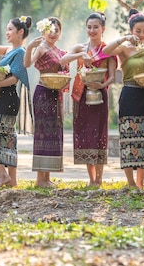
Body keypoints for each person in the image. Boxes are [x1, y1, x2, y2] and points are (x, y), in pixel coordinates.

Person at [103, 9, 144, 190]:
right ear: (131, 30)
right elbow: (106, 51)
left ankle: (140, 181)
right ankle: (130, 182)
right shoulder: (124, 49)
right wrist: (123, 39)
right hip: (129, 95)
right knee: (128, 138)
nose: (142, 35)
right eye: (138, 31)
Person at [60, 12, 116, 187]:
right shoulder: (80, 47)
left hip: (100, 96)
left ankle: (99, 179)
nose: (92, 30)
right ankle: (91, 179)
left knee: (99, 135)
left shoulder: (108, 51)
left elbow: (113, 77)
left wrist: (102, 84)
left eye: (96, 27)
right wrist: (79, 56)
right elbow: (63, 60)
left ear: (103, 29)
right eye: (89, 27)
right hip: (81, 96)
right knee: (85, 135)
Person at [0, 16, 31, 188]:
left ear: (20, 32)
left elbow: (14, 79)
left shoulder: (20, 53)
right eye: (7, 29)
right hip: (1, 98)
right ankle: (12, 181)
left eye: (10, 29)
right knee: (7, 137)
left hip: (8, 98)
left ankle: (3, 175)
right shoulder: (9, 50)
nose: (7, 32)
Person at [24, 17, 68, 188]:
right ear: (43, 31)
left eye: (57, 30)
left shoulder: (59, 51)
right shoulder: (41, 48)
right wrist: (29, 48)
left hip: (56, 95)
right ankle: (39, 179)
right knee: (43, 134)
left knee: (53, 134)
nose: (53, 33)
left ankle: (46, 177)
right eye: (50, 29)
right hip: (43, 95)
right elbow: (27, 63)